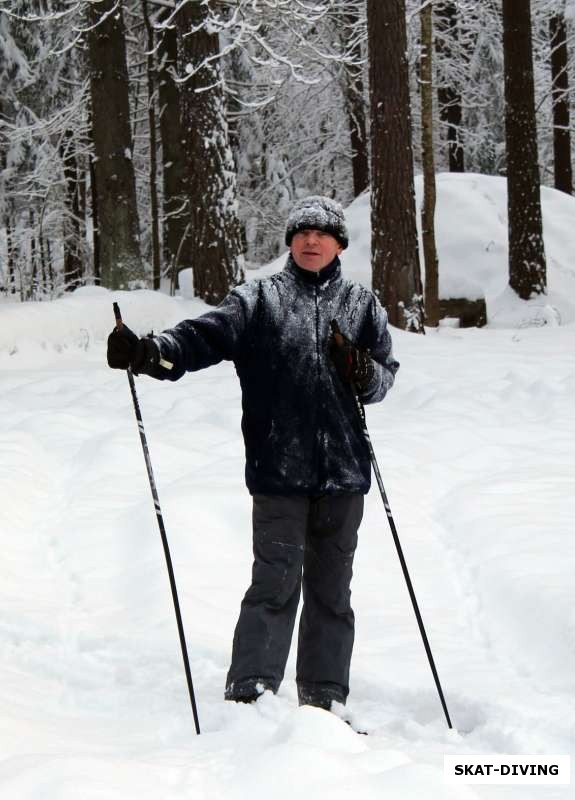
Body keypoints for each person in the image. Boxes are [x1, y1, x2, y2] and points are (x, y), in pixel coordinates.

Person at [107, 195, 399, 711]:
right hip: (278, 470)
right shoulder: (258, 299)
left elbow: (382, 381)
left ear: (338, 245)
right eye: (302, 232)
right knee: (274, 583)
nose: (311, 241)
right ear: (290, 241)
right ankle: (251, 691)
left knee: (333, 594)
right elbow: (203, 337)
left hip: (344, 476)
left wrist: (361, 368)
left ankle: (325, 697)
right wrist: (152, 352)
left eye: (322, 234)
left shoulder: (361, 304)